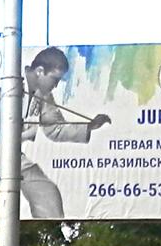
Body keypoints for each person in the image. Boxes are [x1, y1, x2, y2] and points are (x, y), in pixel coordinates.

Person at [17, 47, 111, 220]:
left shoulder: (43, 95)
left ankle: (43, 238)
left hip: (15, 158)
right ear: (39, 71)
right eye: (54, 79)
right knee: (45, 194)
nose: (56, 85)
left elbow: (54, 128)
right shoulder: (13, 82)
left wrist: (88, 127)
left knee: (48, 195)